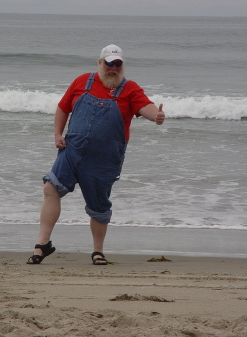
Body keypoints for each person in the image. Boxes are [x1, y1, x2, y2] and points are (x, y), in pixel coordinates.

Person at [27, 44, 165, 265]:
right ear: (100, 63)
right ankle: (42, 244)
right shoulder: (82, 81)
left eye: (118, 64)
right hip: (72, 150)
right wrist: (57, 134)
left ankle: (97, 251)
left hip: (104, 158)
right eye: (109, 64)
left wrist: (156, 116)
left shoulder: (130, 89)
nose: (113, 69)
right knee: (50, 188)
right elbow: (63, 108)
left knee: (99, 207)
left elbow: (145, 107)